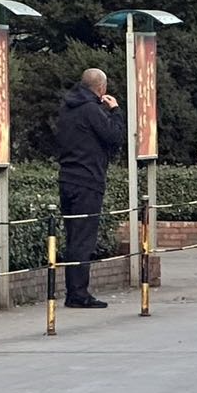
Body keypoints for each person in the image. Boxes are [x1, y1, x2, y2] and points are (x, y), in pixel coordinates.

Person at [54, 68, 121, 308]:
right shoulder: (92, 109)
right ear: (102, 88)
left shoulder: (66, 108)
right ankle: (78, 294)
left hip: (66, 178)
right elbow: (114, 136)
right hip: (88, 180)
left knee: (73, 237)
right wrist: (115, 111)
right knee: (83, 240)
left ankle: (74, 291)